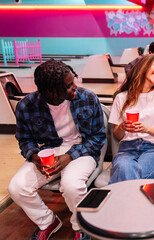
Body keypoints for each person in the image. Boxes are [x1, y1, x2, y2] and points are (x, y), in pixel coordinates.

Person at [8, 59, 106, 240]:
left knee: (71, 185)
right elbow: (25, 140)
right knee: (17, 187)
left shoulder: (87, 98)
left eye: (73, 82)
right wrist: (34, 156)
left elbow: (98, 137)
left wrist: (70, 156)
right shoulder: (26, 106)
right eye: (68, 86)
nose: (75, 87)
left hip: (82, 150)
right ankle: (47, 221)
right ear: (50, 91)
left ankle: (81, 226)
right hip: (50, 151)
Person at [109, 54, 154, 183]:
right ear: (143, 67)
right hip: (126, 148)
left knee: (128, 173)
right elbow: (117, 135)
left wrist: (147, 129)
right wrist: (122, 127)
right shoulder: (121, 97)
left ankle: (110, 199)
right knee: (125, 168)